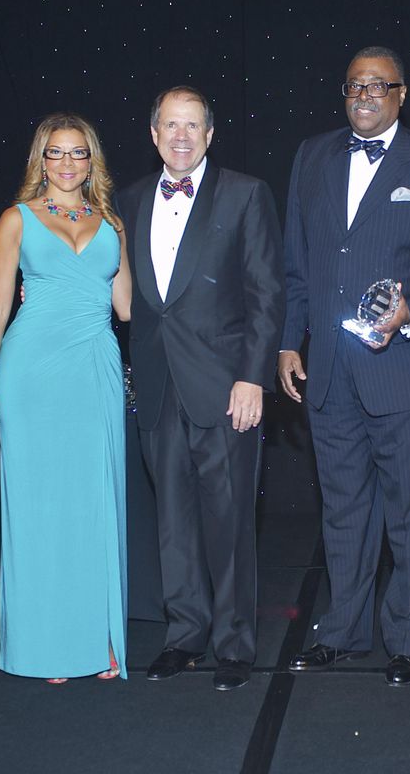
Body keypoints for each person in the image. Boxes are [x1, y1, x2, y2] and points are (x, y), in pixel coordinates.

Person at [278, 46, 410, 687]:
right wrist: (288, 341)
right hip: (328, 370)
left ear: (401, 94)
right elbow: (298, 264)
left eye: (377, 85)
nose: (364, 95)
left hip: (402, 367)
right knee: (343, 509)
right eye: (354, 85)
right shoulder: (312, 156)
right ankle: (343, 630)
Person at [119, 86, 284, 692]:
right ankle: (184, 636)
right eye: (171, 125)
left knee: (230, 520)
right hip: (158, 385)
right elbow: (124, 293)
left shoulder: (246, 193)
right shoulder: (130, 199)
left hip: (225, 386)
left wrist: (253, 377)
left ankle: (234, 645)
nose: (181, 136)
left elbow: (267, 293)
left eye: (193, 125)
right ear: (153, 134)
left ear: (210, 135)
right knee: (173, 521)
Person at [0, 113, 131, 683]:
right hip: (32, 372)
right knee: (40, 508)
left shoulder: (111, 222)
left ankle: (98, 638)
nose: (67, 163)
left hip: (94, 367)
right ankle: (48, 644)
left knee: (94, 501)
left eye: (78, 152)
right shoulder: (16, 219)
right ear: (41, 160)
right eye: (56, 152)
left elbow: (128, 308)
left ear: (92, 161)